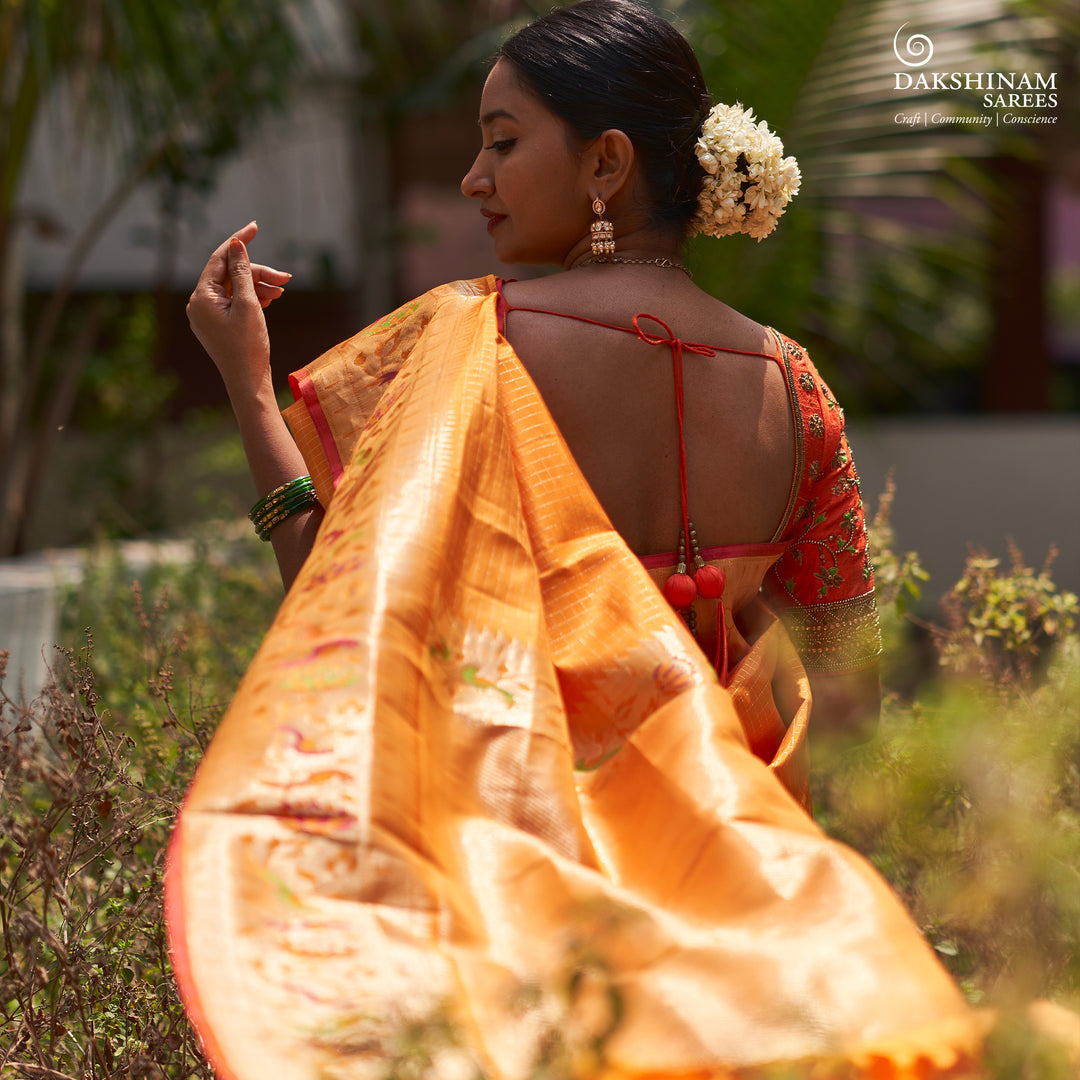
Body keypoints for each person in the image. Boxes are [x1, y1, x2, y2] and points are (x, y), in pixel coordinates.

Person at [170, 2, 990, 1077]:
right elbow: (847, 689)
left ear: (606, 164)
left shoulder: (472, 343)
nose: (474, 178)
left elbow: (335, 616)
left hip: (526, 917)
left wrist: (249, 391)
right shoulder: (795, 390)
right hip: (745, 940)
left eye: (503, 142)